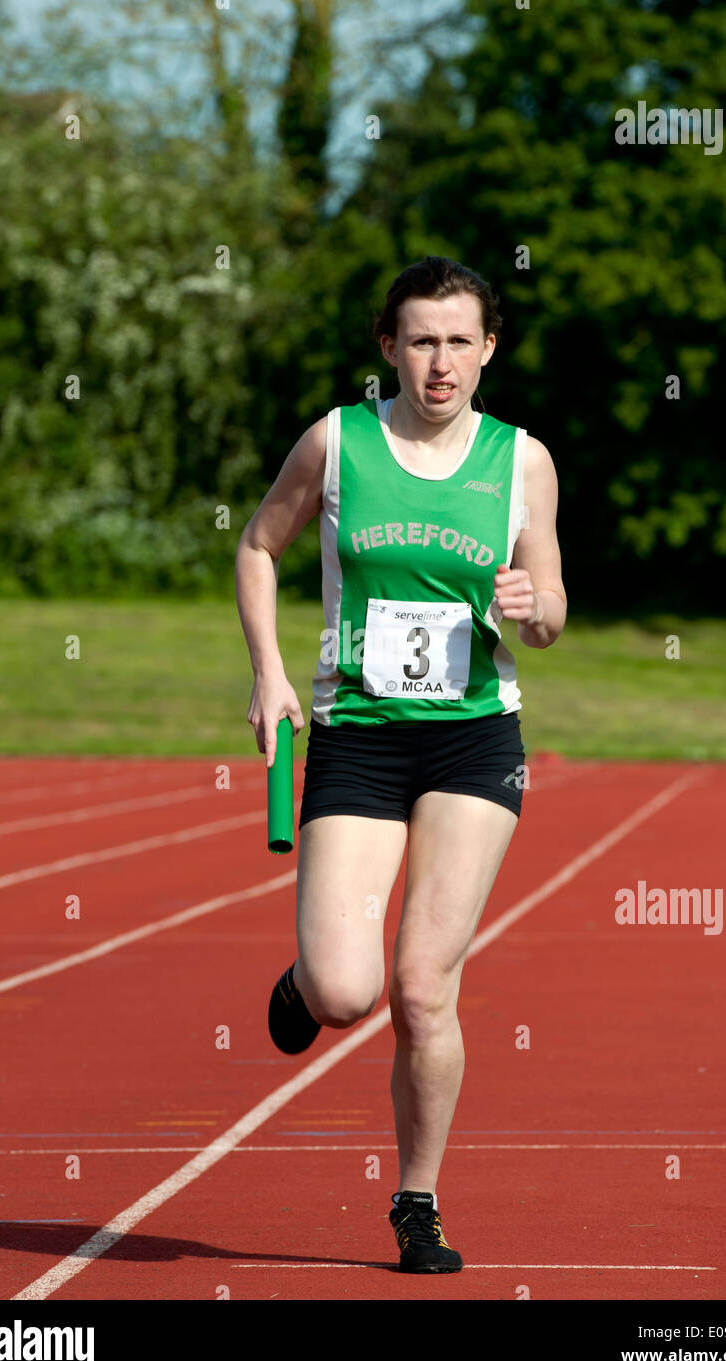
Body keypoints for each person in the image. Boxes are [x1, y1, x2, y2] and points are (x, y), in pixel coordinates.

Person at [234, 255, 566, 1273]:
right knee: (347, 991)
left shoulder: (521, 462)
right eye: (420, 339)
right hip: (359, 736)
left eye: (459, 340)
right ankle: (303, 986)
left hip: (472, 737)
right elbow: (258, 544)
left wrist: (531, 610)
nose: (440, 363)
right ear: (388, 346)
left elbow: (551, 610)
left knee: (423, 987)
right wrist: (271, 675)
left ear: (487, 349)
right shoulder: (338, 441)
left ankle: (415, 1200)